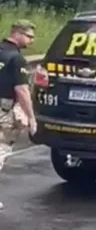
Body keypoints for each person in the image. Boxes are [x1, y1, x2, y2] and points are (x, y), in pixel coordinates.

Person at [0, 20, 38, 210]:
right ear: (18, 33)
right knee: (1, 149)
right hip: (3, 109)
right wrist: (31, 117)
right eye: (29, 36)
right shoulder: (17, 59)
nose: (31, 41)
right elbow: (22, 90)